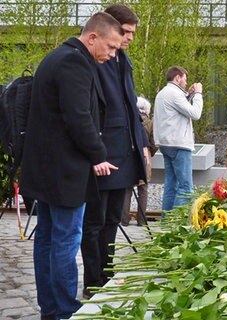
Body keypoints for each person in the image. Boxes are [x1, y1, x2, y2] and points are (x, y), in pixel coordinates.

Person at [19, 12, 122, 320]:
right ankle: (64, 310)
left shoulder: (56, 57)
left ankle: (50, 308)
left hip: (46, 169)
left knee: (48, 239)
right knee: (64, 241)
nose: (113, 54)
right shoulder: (75, 63)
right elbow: (79, 118)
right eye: (112, 46)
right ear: (93, 37)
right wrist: (98, 154)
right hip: (65, 173)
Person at [81, 4, 149, 299]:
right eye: (127, 32)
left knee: (112, 220)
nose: (130, 38)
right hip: (103, 153)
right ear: (112, 28)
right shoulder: (97, 60)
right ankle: (93, 281)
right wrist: (96, 153)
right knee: (94, 222)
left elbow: (129, 107)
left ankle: (106, 274)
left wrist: (142, 144)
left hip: (124, 151)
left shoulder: (123, 60)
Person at [153, 66, 203, 212]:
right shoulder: (175, 94)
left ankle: (166, 222)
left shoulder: (162, 93)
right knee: (185, 187)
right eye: (184, 79)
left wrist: (190, 95)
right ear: (177, 78)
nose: (186, 83)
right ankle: (177, 225)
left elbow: (178, 110)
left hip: (165, 144)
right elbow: (195, 113)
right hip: (179, 145)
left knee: (171, 185)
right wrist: (199, 94)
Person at [121, 96, 158, 226]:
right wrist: (150, 152)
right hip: (144, 156)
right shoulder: (150, 122)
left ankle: (124, 220)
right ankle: (141, 221)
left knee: (127, 188)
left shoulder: (128, 120)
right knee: (143, 189)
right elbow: (154, 143)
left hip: (129, 155)